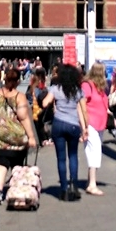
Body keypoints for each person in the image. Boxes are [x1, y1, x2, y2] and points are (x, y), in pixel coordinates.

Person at [42, 64, 89, 201]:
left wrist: (53, 102)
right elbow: (83, 111)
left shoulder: (55, 89)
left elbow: (45, 103)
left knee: (61, 158)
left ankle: (63, 189)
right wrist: (85, 127)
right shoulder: (78, 91)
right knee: (73, 155)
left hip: (58, 125)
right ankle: (73, 186)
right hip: (74, 125)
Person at [0, 68, 38, 192]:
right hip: (16, 136)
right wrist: (31, 137)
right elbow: (23, 117)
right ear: (18, 81)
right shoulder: (19, 97)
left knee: (0, 164)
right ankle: (17, 191)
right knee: (17, 164)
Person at [81, 63, 109, 196]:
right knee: (95, 151)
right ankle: (92, 184)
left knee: (95, 151)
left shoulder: (100, 88)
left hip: (100, 123)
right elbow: (82, 104)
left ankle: (90, 181)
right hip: (90, 123)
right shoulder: (87, 85)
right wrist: (84, 125)